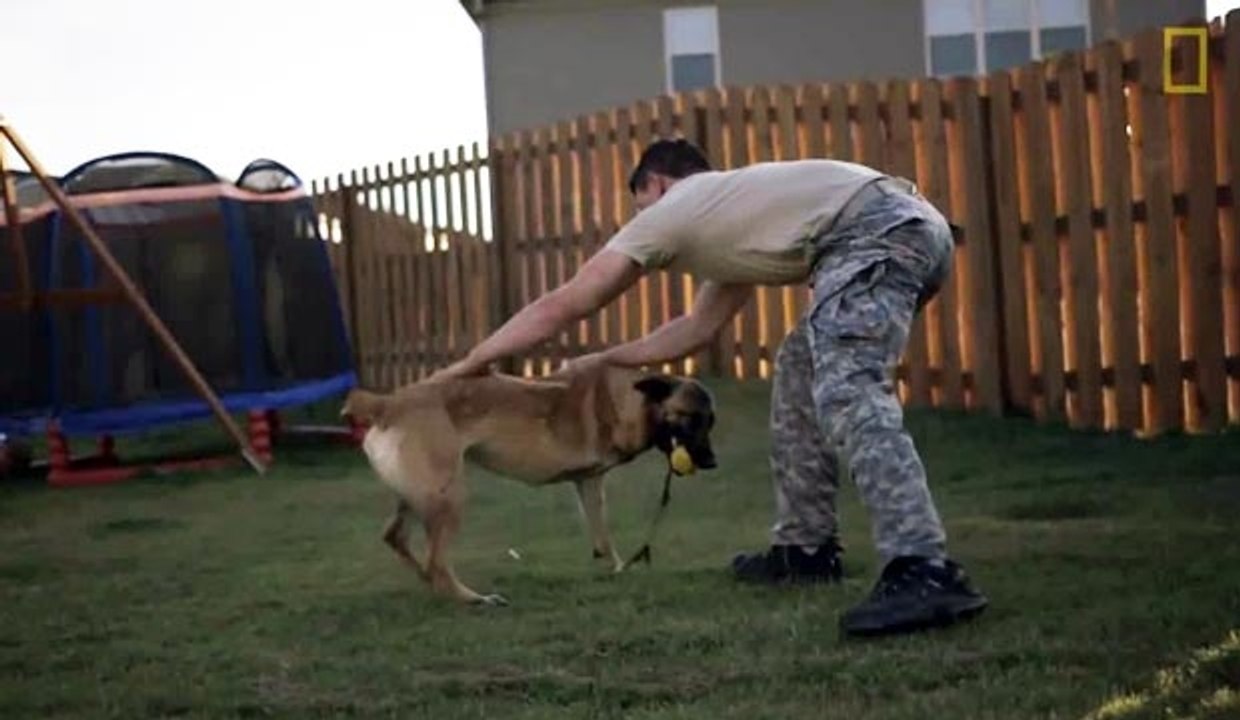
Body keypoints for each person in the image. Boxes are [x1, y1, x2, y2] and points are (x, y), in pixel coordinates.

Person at [432, 138, 988, 637]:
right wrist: (603, 359)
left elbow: (566, 303)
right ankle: (805, 549)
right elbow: (696, 329)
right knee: (799, 372)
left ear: (657, 185)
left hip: (879, 233)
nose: (641, 222)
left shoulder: (674, 207)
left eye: (639, 207)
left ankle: (923, 567)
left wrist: (472, 363)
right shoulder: (731, 215)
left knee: (849, 390)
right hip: (907, 228)